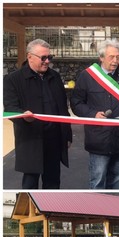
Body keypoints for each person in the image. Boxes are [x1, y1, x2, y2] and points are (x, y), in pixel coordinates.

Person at [3, 38, 73, 189]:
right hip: (31, 140)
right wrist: (23, 116)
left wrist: (67, 135)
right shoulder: (13, 80)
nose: (47, 61)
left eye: (49, 57)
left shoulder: (55, 77)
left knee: (53, 184)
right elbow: (10, 108)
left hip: (54, 140)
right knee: (30, 185)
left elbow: (63, 109)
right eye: (43, 58)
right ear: (29, 57)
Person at [70, 39, 119, 189]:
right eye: (111, 57)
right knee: (98, 180)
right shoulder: (87, 76)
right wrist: (92, 114)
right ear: (101, 57)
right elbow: (76, 103)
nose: (115, 61)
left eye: (117, 57)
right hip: (98, 139)